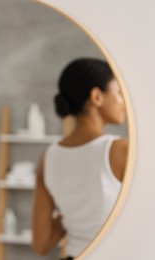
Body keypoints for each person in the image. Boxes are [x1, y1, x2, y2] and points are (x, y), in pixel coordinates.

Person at [31, 58, 128, 259]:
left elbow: (41, 244)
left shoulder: (48, 157)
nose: (123, 102)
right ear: (97, 97)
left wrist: (75, 214)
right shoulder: (120, 150)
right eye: (118, 93)